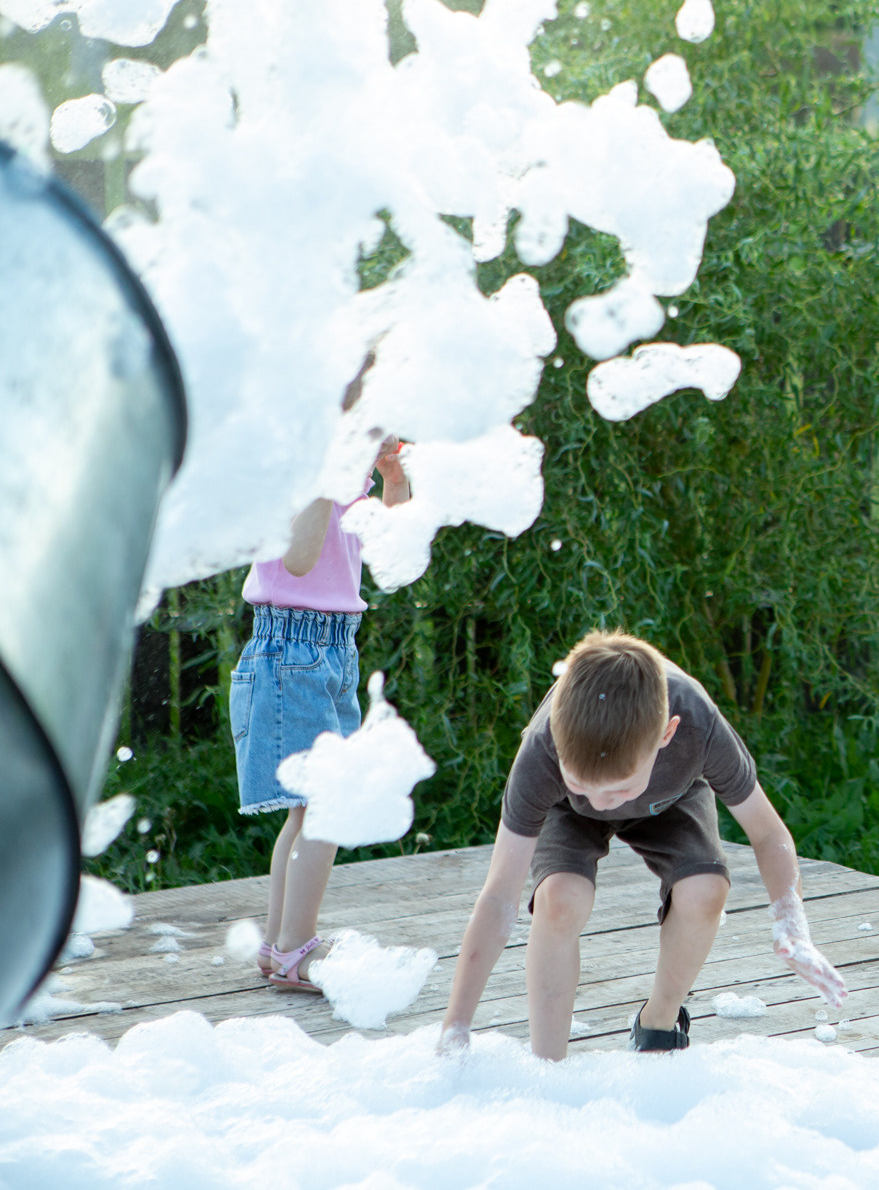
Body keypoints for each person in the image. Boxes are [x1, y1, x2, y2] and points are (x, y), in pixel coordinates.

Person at [436, 629, 847, 1059]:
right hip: (566, 812)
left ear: (667, 735)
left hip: (671, 798)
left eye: (619, 789)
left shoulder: (697, 722)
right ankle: (548, 1064)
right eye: (584, 784)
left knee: (706, 889)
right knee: (560, 899)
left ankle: (658, 1023)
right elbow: (498, 897)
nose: (602, 802)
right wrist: (456, 1024)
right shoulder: (542, 749)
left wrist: (792, 923)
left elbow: (768, 833)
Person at [233, 360, 411, 991]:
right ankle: (293, 947)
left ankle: (280, 942)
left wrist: (391, 478)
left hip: (331, 649)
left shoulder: (343, 471)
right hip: (291, 648)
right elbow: (301, 560)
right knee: (326, 805)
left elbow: (390, 550)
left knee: (308, 811)